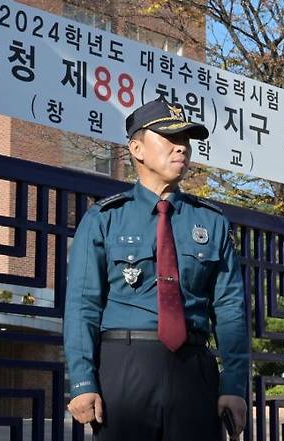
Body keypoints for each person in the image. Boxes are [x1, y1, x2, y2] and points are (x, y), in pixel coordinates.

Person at [63, 97, 249, 441]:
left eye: (186, 141)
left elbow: (230, 309)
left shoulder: (211, 222)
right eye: (169, 139)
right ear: (137, 148)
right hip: (124, 366)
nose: (181, 148)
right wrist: (82, 381)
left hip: (194, 369)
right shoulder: (105, 218)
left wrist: (235, 384)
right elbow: (82, 305)